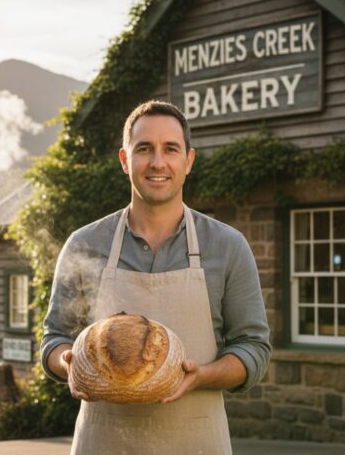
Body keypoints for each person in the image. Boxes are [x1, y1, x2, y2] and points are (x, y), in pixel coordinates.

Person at [40, 100, 271, 455]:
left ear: (188, 161)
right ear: (124, 160)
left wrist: (201, 376)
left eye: (170, 149)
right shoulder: (85, 244)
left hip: (196, 444)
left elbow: (254, 348)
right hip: (104, 443)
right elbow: (54, 338)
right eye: (144, 149)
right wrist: (69, 363)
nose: (157, 162)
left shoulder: (227, 246)